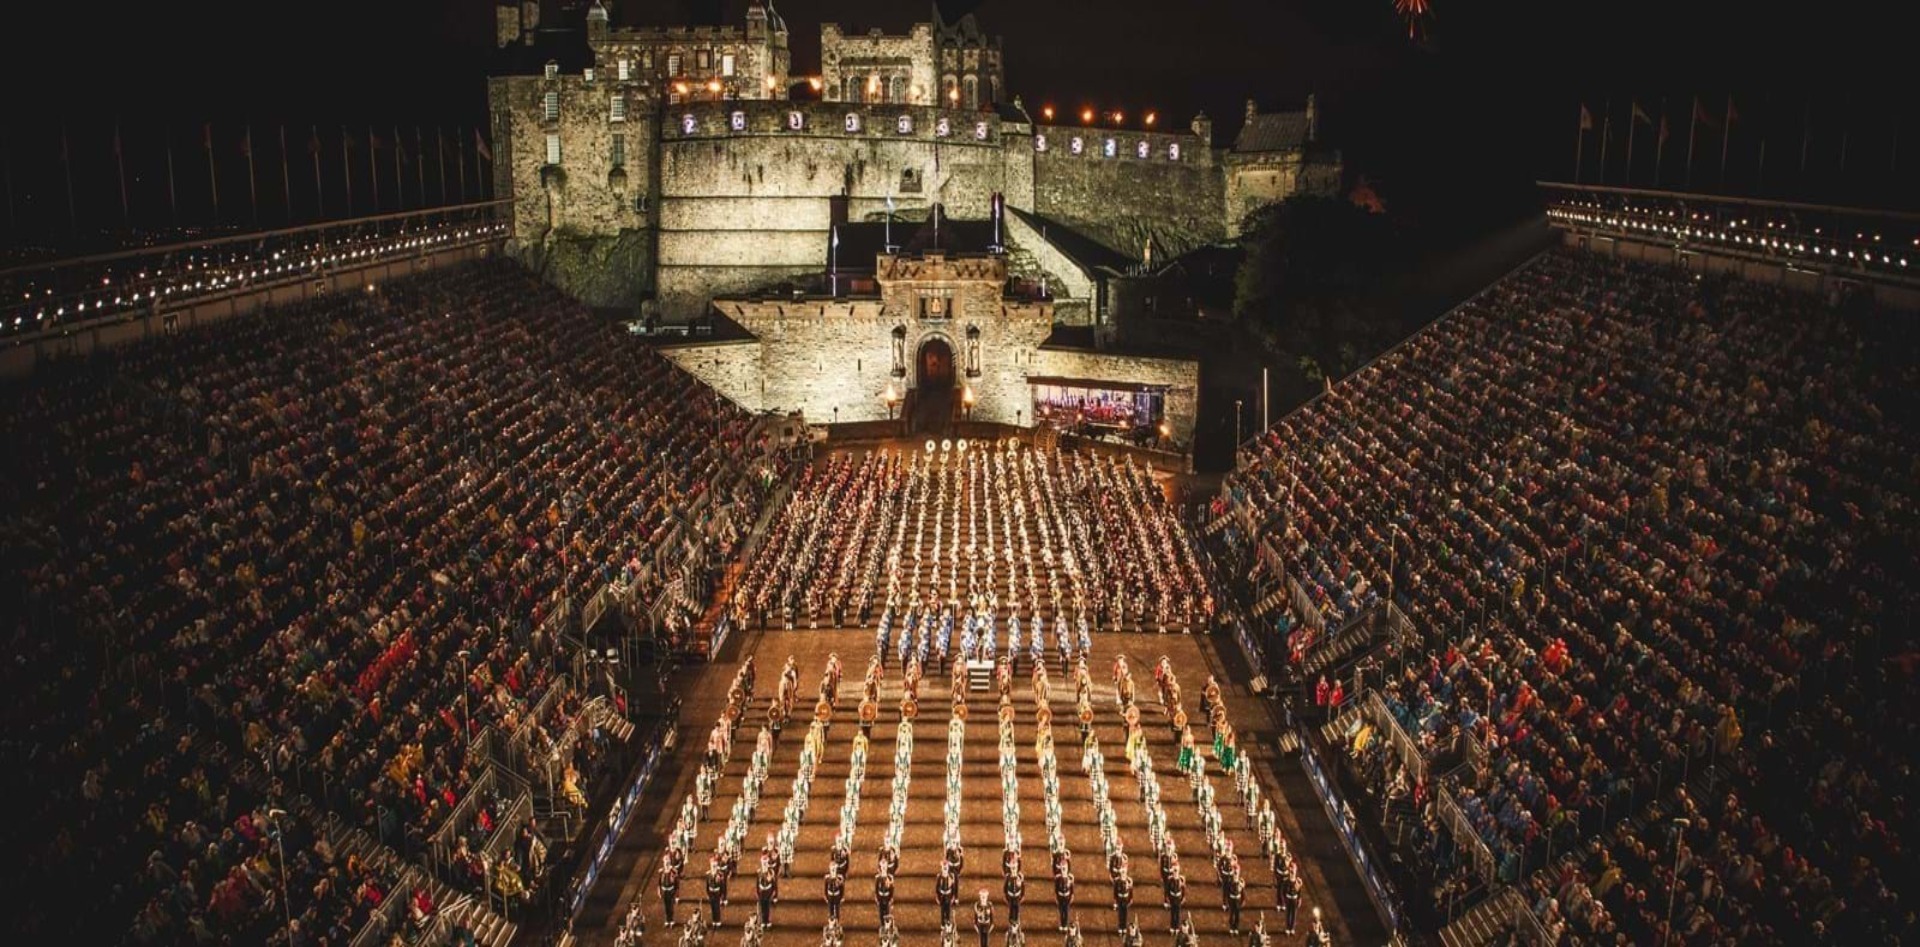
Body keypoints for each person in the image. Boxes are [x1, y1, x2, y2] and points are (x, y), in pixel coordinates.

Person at [1223, 863, 1245, 935]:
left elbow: (1243, 893)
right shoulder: (1230, 882)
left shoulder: (1240, 883)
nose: (1235, 876)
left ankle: (1236, 928)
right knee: (1232, 915)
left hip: (1238, 901)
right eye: (1235, 874)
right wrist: (1228, 902)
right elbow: (1228, 893)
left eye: (1237, 874)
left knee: (1237, 915)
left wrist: (1242, 901)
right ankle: (1231, 928)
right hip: (1232, 900)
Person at [756, 861, 778, 927]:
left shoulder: (771, 873)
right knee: (762, 908)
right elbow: (757, 884)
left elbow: (774, 886)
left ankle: (767, 921)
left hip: (768, 895)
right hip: (761, 895)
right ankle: (763, 921)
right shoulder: (759, 875)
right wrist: (757, 893)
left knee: (767, 909)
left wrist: (774, 894)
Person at [1280, 865, 1301, 934]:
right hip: (1288, 899)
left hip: (1294, 899)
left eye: (1293, 871)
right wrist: (1284, 900)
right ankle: (1287, 928)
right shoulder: (1286, 881)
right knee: (1288, 914)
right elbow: (1283, 891)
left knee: (1294, 914)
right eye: (1291, 871)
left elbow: (1299, 892)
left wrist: (1299, 900)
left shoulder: (1298, 882)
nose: (1292, 873)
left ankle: (1292, 928)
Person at [1165, 868, 1187, 933]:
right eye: (1174, 873)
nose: (1175, 874)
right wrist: (1167, 898)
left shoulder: (1181, 880)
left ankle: (1177, 927)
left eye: (1176, 873)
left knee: (1177, 913)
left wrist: (1183, 898)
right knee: (1172, 913)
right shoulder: (1170, 880)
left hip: (1178, 899)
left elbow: (1183, 890)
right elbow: (1167, 890)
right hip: (1172, 898)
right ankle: (1172, 927)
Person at [706, 863, 727, 927]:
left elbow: (722, 886)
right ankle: (714, 920)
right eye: (712, 867)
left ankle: (718, 920)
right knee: (712, 907)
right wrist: (707, 893)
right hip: (711, 893)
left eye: (715, 867)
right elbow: (707, 885)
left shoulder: (720, 875)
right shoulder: (708, 875)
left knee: (717, 907)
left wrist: (722, 896)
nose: (713, 868)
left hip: (717, 893)